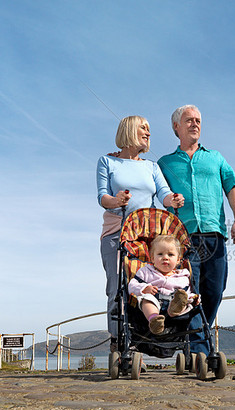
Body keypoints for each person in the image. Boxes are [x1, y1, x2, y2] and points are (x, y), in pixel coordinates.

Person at [158, 105, 235, 355]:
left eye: (198, 120)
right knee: (188, 292)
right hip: (181, 238)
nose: (195, 124)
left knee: (215, 290)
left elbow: (232, 188)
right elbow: (155, 188)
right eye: (189, 120)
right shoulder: (165, 163)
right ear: (177, 126)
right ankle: (199, 351)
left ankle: (192, 341)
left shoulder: (216, 157)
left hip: (215, 234)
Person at [96, 115, 184, 350]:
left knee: (147, 284)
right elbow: (102, 197)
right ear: (128, 131)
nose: (148, 133)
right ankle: (118, 341)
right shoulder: (107, 162)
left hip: (147, 237)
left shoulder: (151, 166)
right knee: (117, 287)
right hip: (116, 233)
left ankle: (141, 342)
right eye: (143, 128)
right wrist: (116, 200)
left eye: (149, 129)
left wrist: (172, 199)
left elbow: (163, 193)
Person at [128, 235, 197, 335]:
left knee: (185, 301)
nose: (165, 258)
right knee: (146, 299)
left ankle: (173, 310)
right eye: (160, 254)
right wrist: (144, 288)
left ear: (178, 260)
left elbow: (187, 292)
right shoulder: (146, 272)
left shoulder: (182, 276)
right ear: (152, 258)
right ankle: (154, 320)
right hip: (155, 301)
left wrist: (193, 298)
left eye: (170, 255)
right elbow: (132, 285)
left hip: (174, 304)